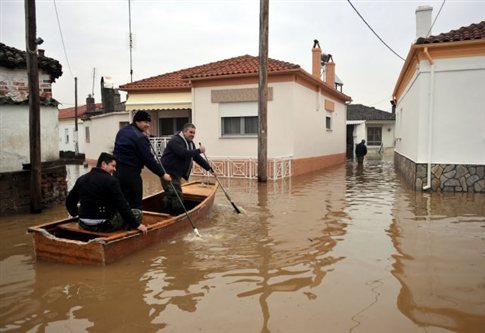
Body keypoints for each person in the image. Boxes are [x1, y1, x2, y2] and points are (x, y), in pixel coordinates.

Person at [66, 152, 148, 235]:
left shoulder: (82, 179)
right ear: (103, 164)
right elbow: (122, 205)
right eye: (113, 166)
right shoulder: (112, 181)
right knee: (137, 213)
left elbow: (69, 201)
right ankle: (127, 234)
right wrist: (137, 225)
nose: (115, 169)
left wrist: (75, 214)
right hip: (103, 226)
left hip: (83, 224)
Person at [113, 111, 171, 210]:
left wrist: (146, 137)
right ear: (137, 122)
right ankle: (135, 224)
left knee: (121, 201)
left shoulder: (122, 131)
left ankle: (121, 223)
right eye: (145, 122)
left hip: (117, 172)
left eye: (149, 122)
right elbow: (148, 159)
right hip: (131, 174)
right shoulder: (140, 137)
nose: (148, 125)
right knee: (135, 204)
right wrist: (162, 174)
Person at [160, 123, 213, 214]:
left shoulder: (190, 143)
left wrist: (210, 169)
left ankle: (167, 212)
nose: (192, 135)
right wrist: (199, 150)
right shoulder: (175, 141)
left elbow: (196, 157)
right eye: (190, 132)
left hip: (177, 174)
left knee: (171, 195)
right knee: (177, 196)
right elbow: (183, 153)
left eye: (194, 133)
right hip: (168, 173)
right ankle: (178, 216)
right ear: (184, 132)